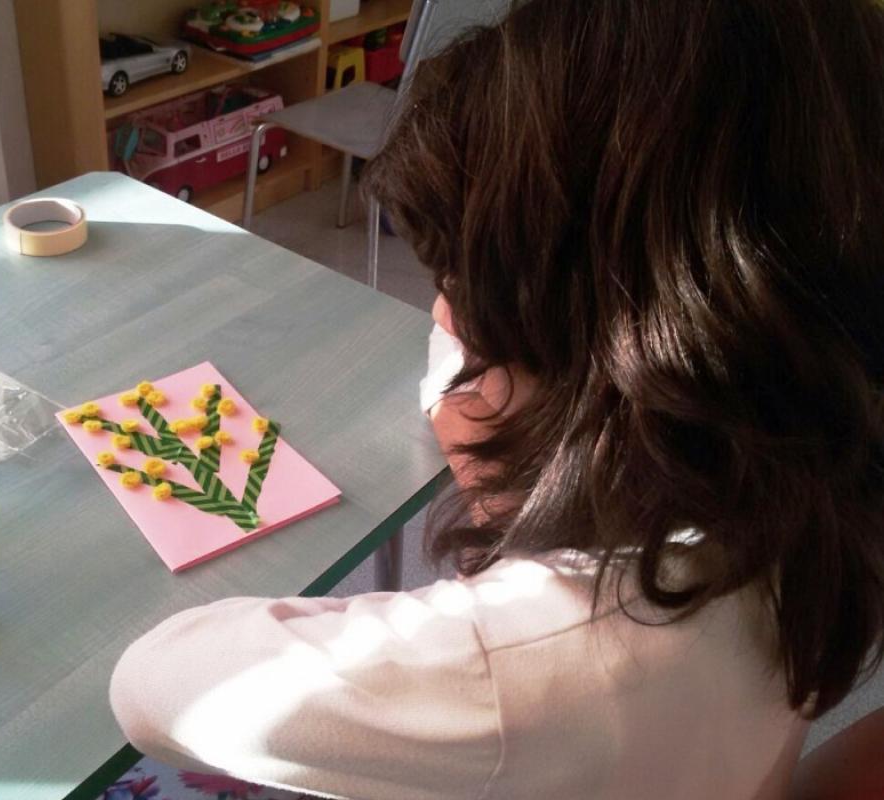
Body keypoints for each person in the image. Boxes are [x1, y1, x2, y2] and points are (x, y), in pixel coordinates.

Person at [110, 1, 884, 797]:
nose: (443, 313)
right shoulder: (816, 454)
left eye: (462, 284)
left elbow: (153, 687)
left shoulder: (521, 664)